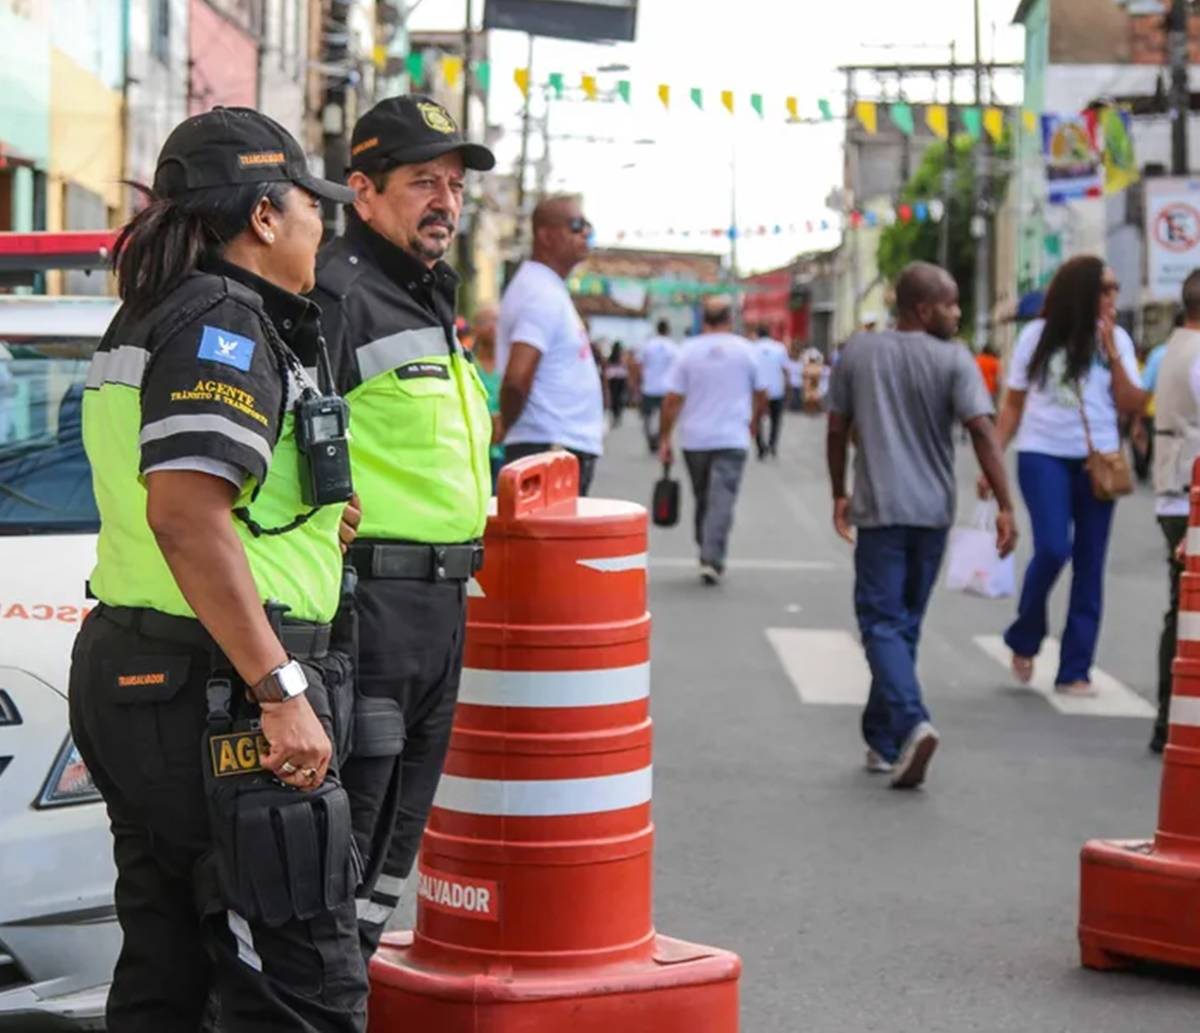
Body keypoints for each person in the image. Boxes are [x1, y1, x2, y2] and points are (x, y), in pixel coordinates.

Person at [68, 107, 367, 1031]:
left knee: (169, 971)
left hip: (146, 674)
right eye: (311, 204)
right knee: (302, 986)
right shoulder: (224, 321)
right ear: (265, 217)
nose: (324, 224)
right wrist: (278, 686)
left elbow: (206, 499)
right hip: (222, 688)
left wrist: (315, 528)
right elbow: (187, 517)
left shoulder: (153, 309)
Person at [309, 94, 495, 961]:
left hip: (442, 612)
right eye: (424, 180)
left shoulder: (424, 301)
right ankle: (322, 1001)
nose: (446, 201)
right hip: (369, 612)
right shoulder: (339, 293)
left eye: (454, 185)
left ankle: (350, 992)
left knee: (393, 855)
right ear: (362, 190)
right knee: (343, 851)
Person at [827, 261, 1016, 790]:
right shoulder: (955, 360)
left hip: (882, 511)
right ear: (922, 308)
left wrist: (838, 490)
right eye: (952, 304)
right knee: (901, 624)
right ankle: (883, 739)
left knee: (882, 624)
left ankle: (910, 722)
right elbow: (982, 431)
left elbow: (837, 427)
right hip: (933, 514)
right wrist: (1006, 503)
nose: (958, 314)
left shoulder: (860, 352)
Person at [988, 256, 1146, 695]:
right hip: (1042, 455)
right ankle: (1025, 634)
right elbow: (1013, 405)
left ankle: (1074, 669)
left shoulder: (1118, 340)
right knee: (1054, 548)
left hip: (1099, 462)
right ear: (1083, 292)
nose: (1114, 296)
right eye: (1106, 288)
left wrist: (1113, 354)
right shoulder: (1035, 338)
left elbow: (1133, 402)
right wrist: (993, 458)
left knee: (1091, 564)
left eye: (1115, 288)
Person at [497, 194, 604, 495]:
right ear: (544, 235)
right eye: (575, 225)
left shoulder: (547, 286)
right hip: (548, 449)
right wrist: (508, 425)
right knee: (551, 543)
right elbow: (517, 378)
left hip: (554, 447)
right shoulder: (539, 292)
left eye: (587, 226)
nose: (585, 233)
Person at [658, 296, 768, 586]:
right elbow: (762, 393)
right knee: (720, 500)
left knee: (705, 497)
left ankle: (708, 552)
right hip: (732, 436)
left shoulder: (687, 352)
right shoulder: (746, 351)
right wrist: (755, 422)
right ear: (731, 319)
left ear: (703, 320)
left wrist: (665, 436)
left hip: (695, 439)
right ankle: (711, 553)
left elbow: (671, 399)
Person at [1147, 272, 1200, 752]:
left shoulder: (1172, 347)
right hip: (1191, 494)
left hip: (1172, 488)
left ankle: (1170, 718)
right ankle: (1174, 718)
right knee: (1188, 612)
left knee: (1181, 609)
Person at [470, 302, 505, 490]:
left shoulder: (509, 365)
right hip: (477, 449)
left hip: (504, 449)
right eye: (485, 321)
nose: (492, 327)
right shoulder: (467, 363)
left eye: (497, 321)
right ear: (475, 327)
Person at [636, 319, 677, 451]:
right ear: (668, 330)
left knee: (647, 416)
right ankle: (659, 437)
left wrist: (639, 381)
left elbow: (639, 364)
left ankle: (650, 437)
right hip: (667, 388)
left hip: (649, 386)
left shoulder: (648, 345)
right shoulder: (673, 347)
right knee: (664, 416)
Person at [753, 323, 790, 459]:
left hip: (758, 391)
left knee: (757, 420)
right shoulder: (779, 348)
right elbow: (786, 370)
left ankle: (761, 446)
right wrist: (788, 388)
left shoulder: (752, 348)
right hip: (776, 390)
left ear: (757, 334)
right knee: (776, 419)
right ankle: (772, 444)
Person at [605, 340, 630, 426]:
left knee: (614, 397)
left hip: (613, 378)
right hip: (620, 378)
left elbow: (607, 367)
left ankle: (615, 414)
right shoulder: (621, 356)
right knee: (619, 397)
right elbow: (625, 367)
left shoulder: (612, 356)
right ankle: (618, 414)